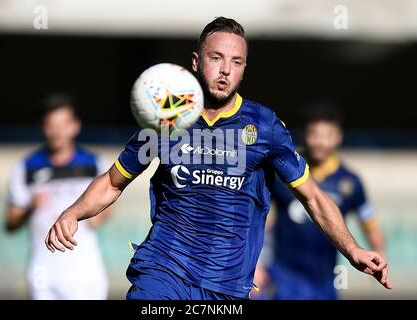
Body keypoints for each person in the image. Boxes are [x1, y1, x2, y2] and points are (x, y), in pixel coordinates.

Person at [45, 17, 392, 300]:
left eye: (236, 62)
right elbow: (112, 181)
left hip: (226, 283)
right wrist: (73, 212)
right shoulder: (167, 116)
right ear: (196, 62)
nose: (225, 70)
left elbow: (313, 198)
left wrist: (352, 249)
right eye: (216, 58)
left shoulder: (265, 126)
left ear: (244, 69)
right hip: (165, 269)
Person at [252, 105, 386, 300]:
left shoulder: (350, 182)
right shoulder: (284, 172)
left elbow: (370, 223)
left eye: (327, 135)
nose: (320, 142)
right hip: (284, 275)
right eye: (314, 134)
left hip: (325, 281)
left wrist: (380, 253)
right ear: (305, 135)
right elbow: (259, 219)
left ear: (338, 137)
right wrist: (256, 263)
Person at [5, 94, 110, 299]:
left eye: (63, 124)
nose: (57, 131)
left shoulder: (93, 164)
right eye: (51, 125)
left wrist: (91, 212)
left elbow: (105, 210)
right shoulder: (26, 167)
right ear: (43, 128)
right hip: (43, 273)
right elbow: (10, 224)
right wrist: (30, 207)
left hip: (85, 273)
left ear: (75, 126)